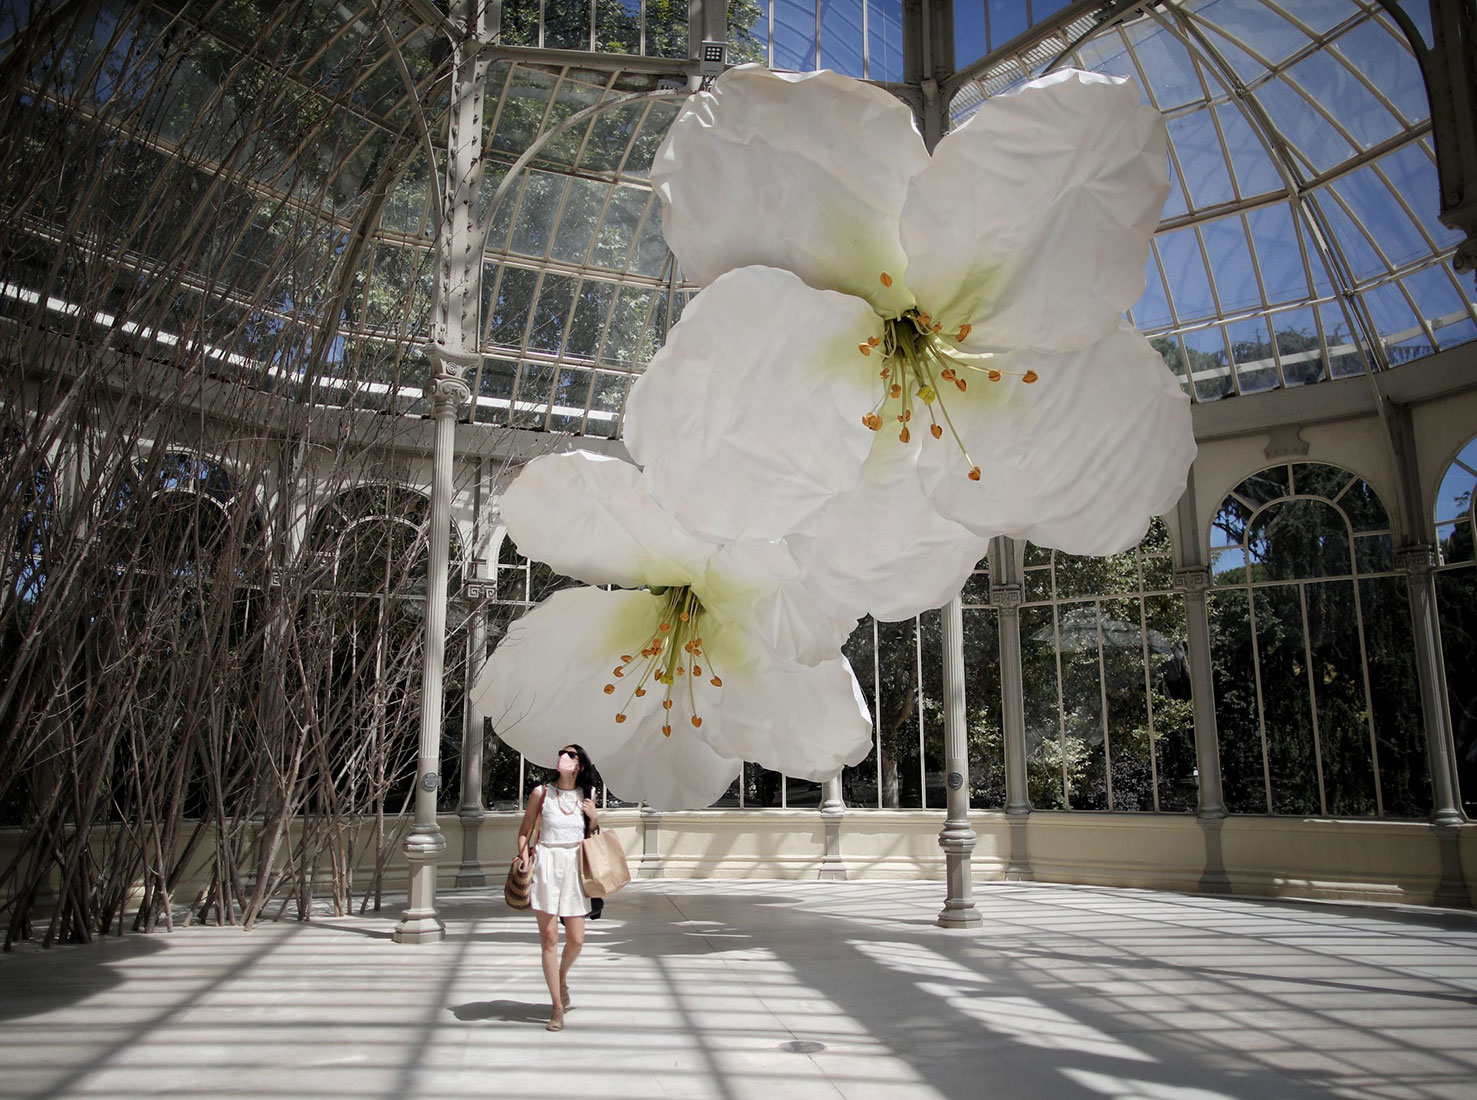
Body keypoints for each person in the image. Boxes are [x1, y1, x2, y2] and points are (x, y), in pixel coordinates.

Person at [516, 744, 599, 1031]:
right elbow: (525, 832)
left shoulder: (587, 795)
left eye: (571, 754)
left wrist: (595, 818)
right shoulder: (541, 793)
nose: (564, 756)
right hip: (546, 865)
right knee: (549, 938)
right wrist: (525, 858)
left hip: (574, 867)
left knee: (576, 939)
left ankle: (562, 977)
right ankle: (556, 1007)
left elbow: (590, 837)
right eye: (562, 752)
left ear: (581, 766)